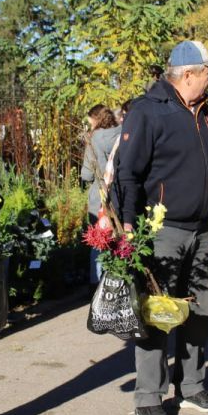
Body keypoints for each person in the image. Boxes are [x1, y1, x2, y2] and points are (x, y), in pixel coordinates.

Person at [115, 40, 208, 415]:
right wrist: (130, 226)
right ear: (188, 74)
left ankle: (192, 387)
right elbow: (128, 173)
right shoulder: (148, 112)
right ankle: (148, 397)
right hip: (161, 231)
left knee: (198, 313)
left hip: (200, 230)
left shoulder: (204, 114)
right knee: (159, 315)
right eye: (207, 73)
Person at [80, 103, 122, 283]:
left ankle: (98, 284)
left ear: (96, 120)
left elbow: (87, 173)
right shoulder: (122, 133)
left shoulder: (95, 138)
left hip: (101, 195)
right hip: (121, 193)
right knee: (120, 239)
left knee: (99, 240)